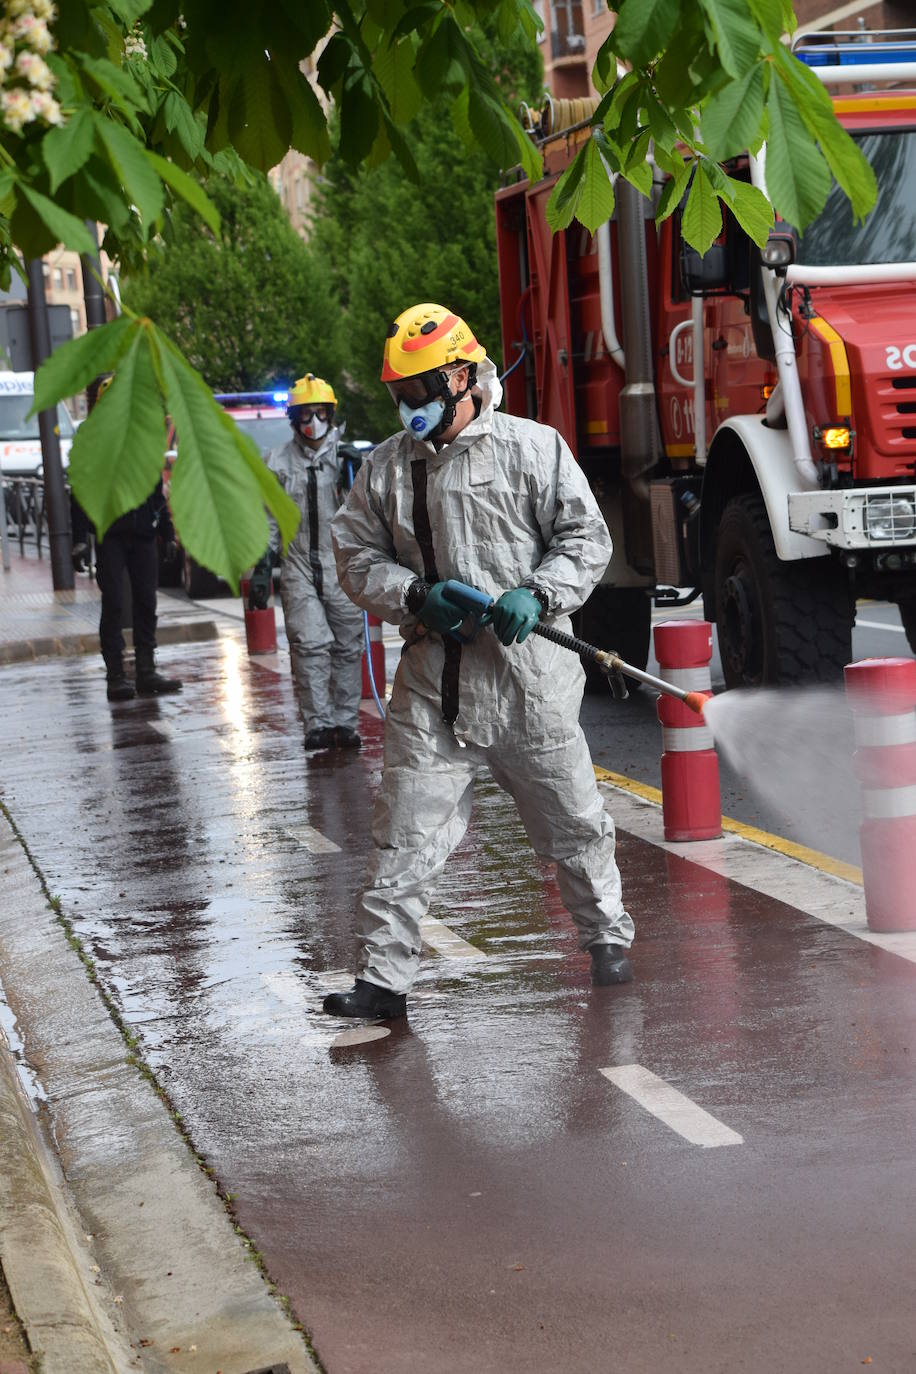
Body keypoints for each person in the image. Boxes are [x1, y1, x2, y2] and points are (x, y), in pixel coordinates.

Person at [323, 303, 634, 1020]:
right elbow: (354, 555)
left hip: (531, 682)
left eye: (420, 390)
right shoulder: (386, 470)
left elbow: (585, 537)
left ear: (463, 375)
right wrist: (412, 594)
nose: (410, 408)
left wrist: (540, 594)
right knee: (405, 830)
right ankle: (384, 982)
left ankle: (606, 941)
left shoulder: (534, 449)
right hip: (435, 680)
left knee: (575, 823)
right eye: (400, 395)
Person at [249, 373, 364, 751]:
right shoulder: (277, 462)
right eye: (304, 415)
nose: (312, 422)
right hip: (297, 564)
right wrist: (263, 565)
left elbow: (368, 514)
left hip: (340, 565)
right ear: (293, 419)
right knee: (309, 644)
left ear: (331, 414)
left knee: (348, 646)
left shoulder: (345, 460)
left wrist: (359, 473)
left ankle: (345, 724)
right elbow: (267, 516)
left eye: (320, 413)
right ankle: (318, 723)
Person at [94, 379, 182, 703]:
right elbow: (80, 494)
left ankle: (146, 670)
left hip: (144, 534)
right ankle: (115, 675)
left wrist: (167, 532)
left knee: (147, 600)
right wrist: (79, 539)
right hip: (111, 536)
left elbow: (156, 493)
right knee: (114, 602)